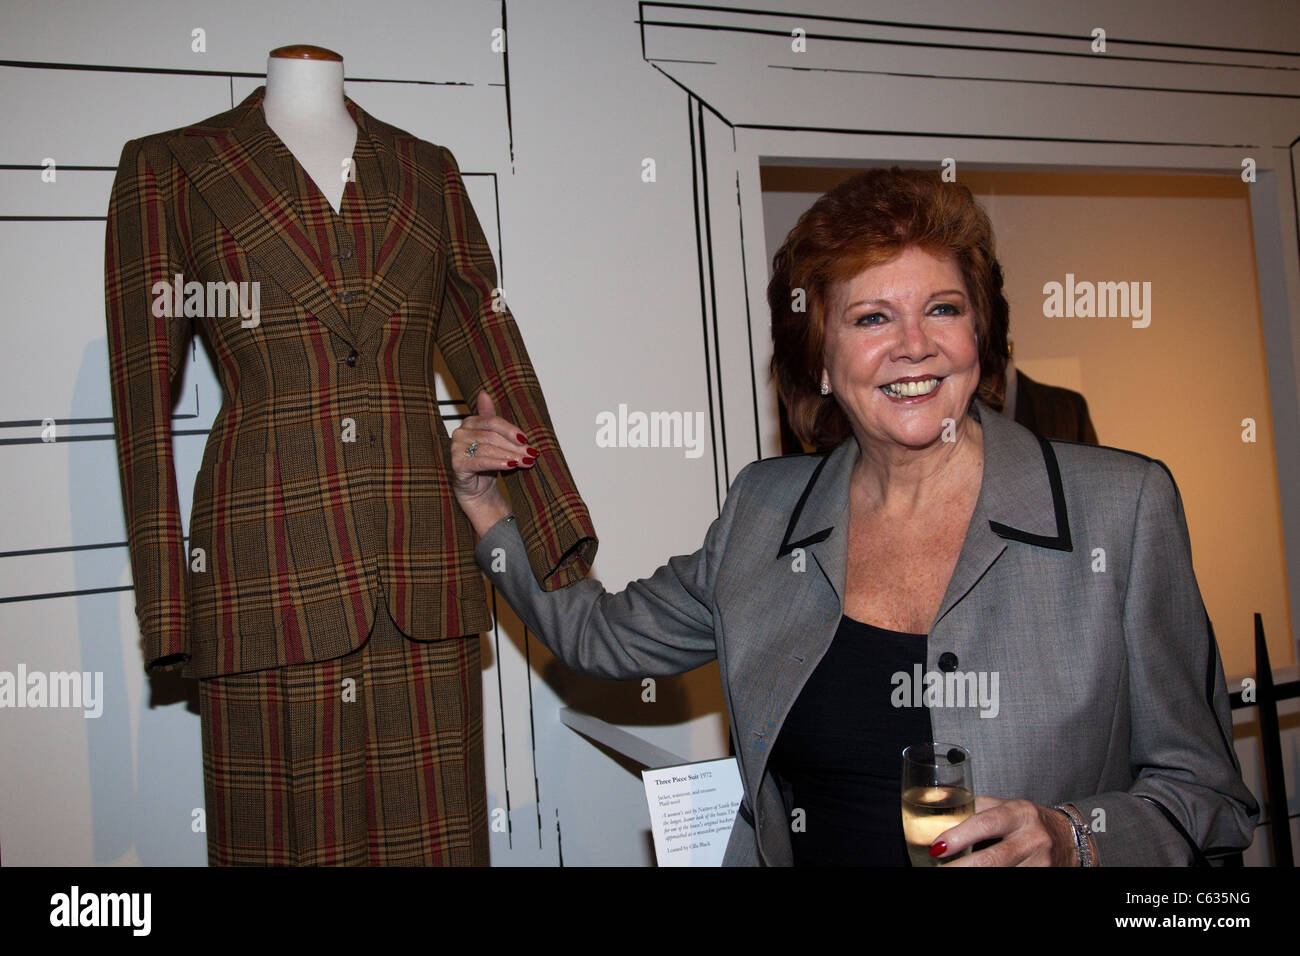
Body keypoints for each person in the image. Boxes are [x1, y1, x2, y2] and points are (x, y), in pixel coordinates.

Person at [448, 168, 1258, 866]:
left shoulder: (1122, 509)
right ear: (822, 360)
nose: (915, 346)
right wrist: (487, 512)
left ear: (982, 333)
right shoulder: (764, 515)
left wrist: (1074, 837)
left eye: (942, 309)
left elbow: (1208, 795)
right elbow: (601, 638)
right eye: (872, 318)